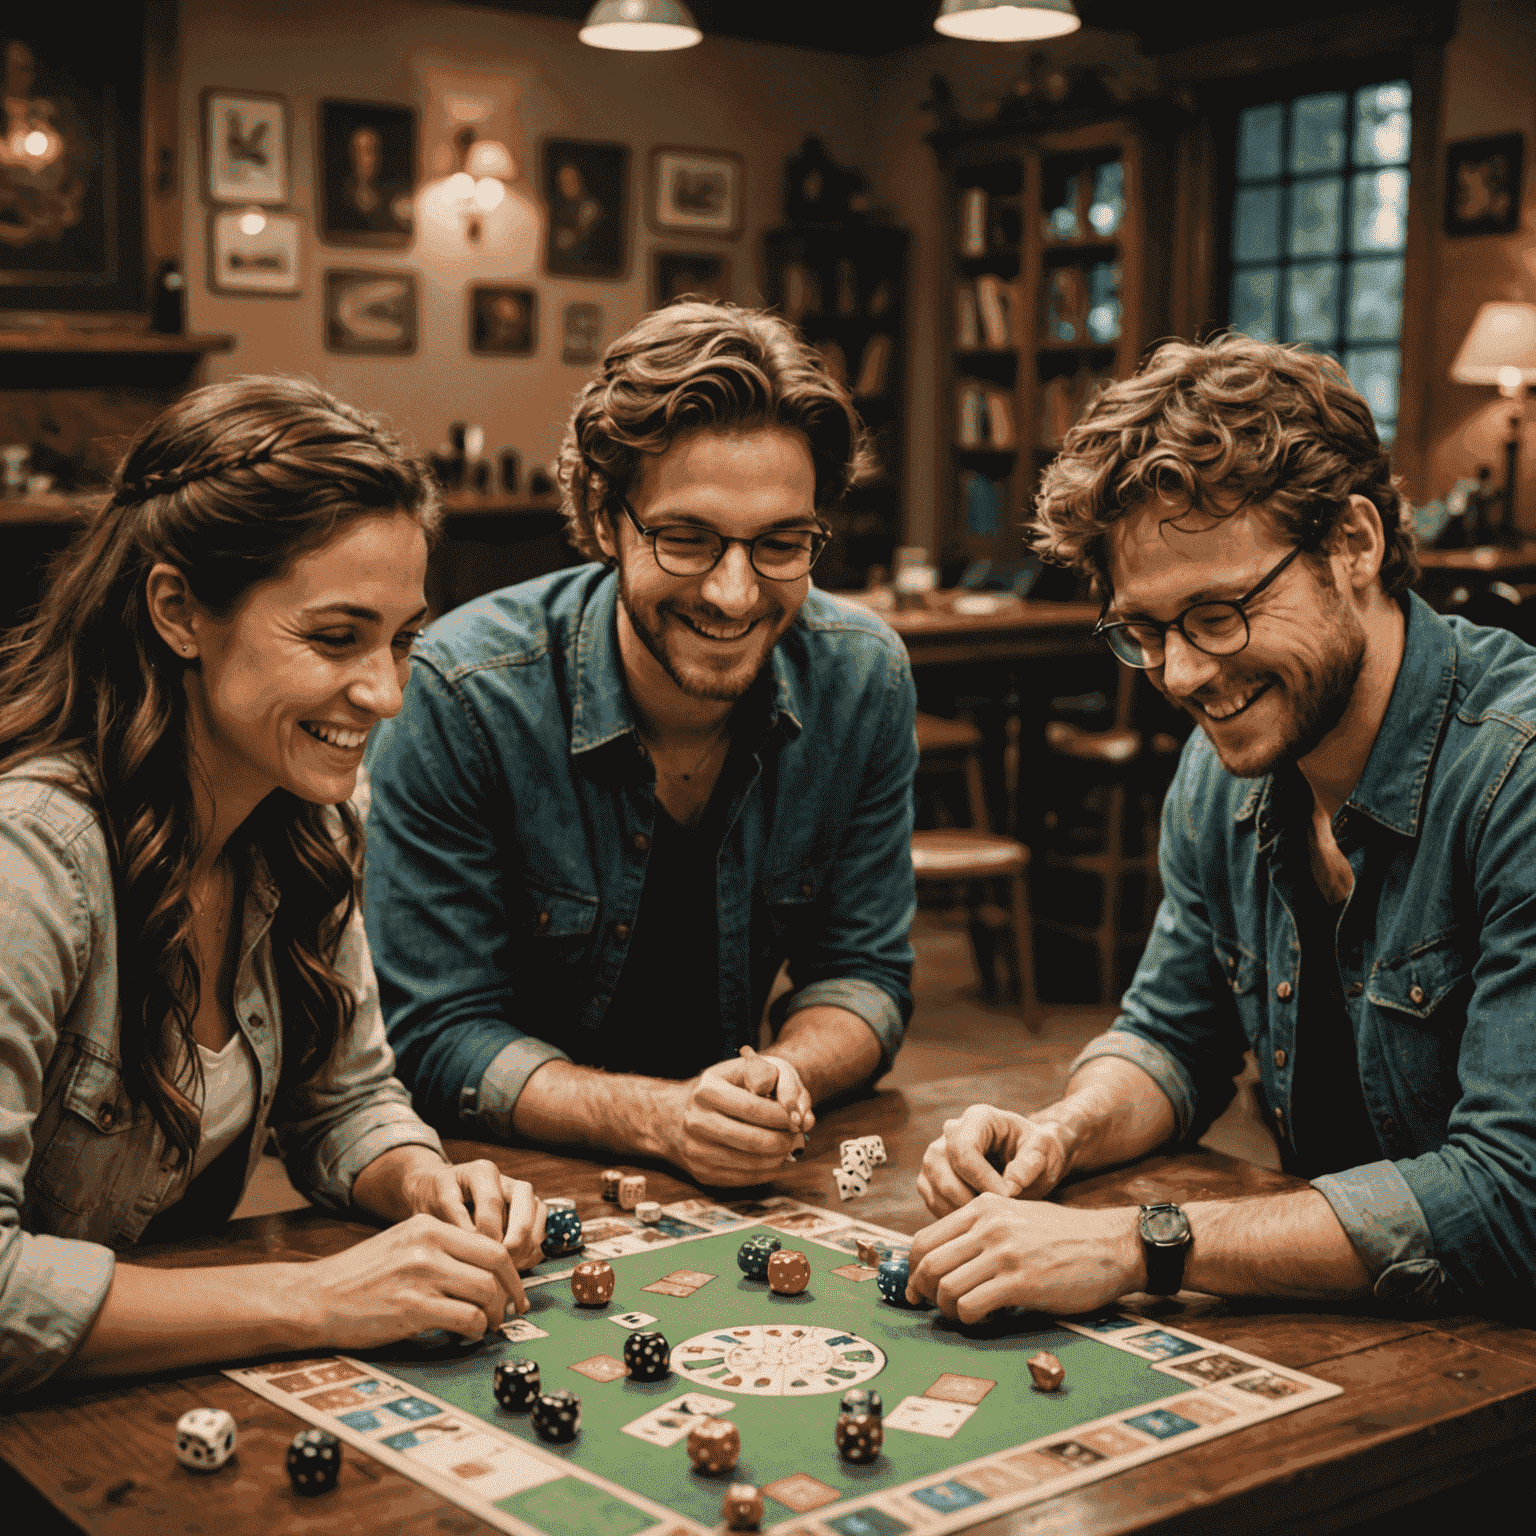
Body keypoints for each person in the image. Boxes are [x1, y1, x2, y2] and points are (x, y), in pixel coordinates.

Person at [909, 333, 1536, 1320]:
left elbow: (1513, 1202)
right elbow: (1171, 1037)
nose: (1185, 676)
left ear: (1356, 545)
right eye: (1146, 631)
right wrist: (1061, 1132)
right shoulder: (1224, 769)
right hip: (1384, 1333)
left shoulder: (1518, 779)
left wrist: (1135, 1244)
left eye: (1219, 612)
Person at [0, 377, 545, 1394]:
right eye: (336, 638)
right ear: (177, 610)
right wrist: (318, 1299)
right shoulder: (27, 858)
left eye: (402, 639)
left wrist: (422, 1180)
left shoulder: (311, 813)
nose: (385, 693)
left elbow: (345, 1100)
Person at [363, 301, 917, 1186]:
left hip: (742, 1175)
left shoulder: (862, 678)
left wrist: (782, 1077)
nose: (735, 595)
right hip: (499, 1178)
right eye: (687, 539)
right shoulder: (461, 694)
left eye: (781, 544)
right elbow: (433, 1033)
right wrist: (660, 1118)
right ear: (606, 516)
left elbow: (862, 974)